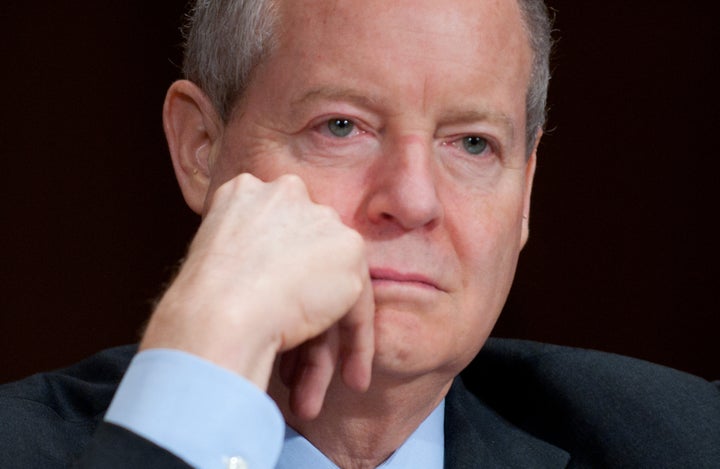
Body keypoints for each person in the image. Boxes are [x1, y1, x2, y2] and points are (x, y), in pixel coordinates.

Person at [1, 0, 718, 468]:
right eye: (341, 126)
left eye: (471, 144)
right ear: (200, 146)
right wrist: (206, 351)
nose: (411, 200)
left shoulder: (681, 442)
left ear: (525, 191)